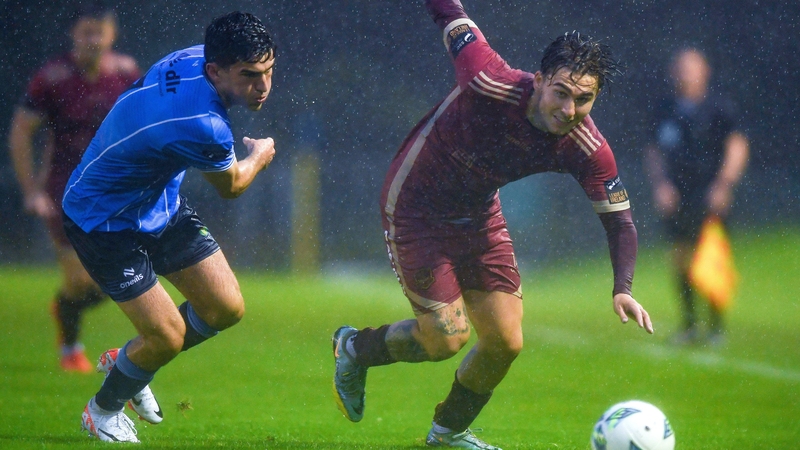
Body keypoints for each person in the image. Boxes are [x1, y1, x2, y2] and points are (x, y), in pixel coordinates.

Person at [332, 1, 654, 449]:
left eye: (585, 99)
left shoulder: (586, 147)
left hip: (479, 213)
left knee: (505, 340)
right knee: (447, 339)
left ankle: (448, 433)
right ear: (539, 81)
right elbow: (448, 13)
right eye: (561, 92)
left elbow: (621, 223)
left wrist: (623, 287)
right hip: (415, 206)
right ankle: (353, 348)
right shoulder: (487, 77)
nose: (569, 109)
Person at [61, 11, 277, 443]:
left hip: (157, 204)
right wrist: (260, 155)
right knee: (167, 337)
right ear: (216, 70)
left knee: (225, 308)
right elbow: (232, 185)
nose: (263, 86)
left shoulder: (197, 56)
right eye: (250, 75)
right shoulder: (203, 124)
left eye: (269, 71)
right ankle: (102, 410)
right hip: (103, 221)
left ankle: (132, 361)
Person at [8, 4, 141, 373]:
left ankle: (65, 304)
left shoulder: (127, 72)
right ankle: (71, 349)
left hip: (114, 190)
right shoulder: (52, 77)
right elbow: (21, 131)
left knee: (112, 280)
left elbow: (142, 124)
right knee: (81, 280)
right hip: (64, 190)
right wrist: (31, 190)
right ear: (74, 34)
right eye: (86, 32)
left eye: (100, 32)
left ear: (112, 35)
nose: (93, 39)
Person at [644, 48, 749, 345]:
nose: (685, 73)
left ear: (705, 71)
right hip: (678, 195)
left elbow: (737, 145)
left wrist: (724, 184)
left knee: (713, 257)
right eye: (680, 68)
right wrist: (661, 184)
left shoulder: (719, 107)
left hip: (710, 192)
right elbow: (653, 150)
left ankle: (716, 326)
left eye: (691, 68)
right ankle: (689, 324)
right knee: (680, 258)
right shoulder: (665, 109)